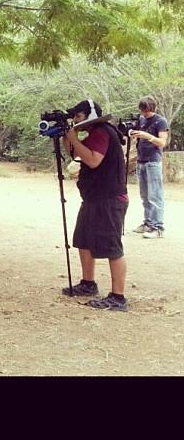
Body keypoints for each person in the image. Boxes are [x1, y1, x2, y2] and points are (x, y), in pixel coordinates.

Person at [62, 99, 129, 311]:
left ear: (90, 115)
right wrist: (68, 138)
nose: (75, 120)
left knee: (111, 246)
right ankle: (88, 283)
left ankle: (118, 297)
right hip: (94, 198)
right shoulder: (94, 134)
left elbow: (92, 160)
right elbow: (75, 154)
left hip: (109, 198)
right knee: (83, 240)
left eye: (79, 116)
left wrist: (74, 137)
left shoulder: (101, 131)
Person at [130, 95, 169, 239]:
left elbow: (162, 142)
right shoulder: (140, 119)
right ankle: (148, 223)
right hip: (141, 160)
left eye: (147, 111)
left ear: (153, 108)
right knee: (145, 195)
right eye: (142, 111)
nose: (145, 114)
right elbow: (133, 130)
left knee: (155, 195)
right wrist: (132, 133)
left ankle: (158, 227)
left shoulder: (160, 121)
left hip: (153, 161)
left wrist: (147, 136)